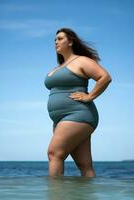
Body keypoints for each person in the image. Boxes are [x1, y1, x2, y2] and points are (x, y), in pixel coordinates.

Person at [44, 28, 112, 177]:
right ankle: (87, 195)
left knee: (54, 154)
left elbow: (104, 77)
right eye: (55, 40)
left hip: (78, 114)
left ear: (71, 41)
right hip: (61, 119)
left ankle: (55, 195)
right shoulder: (59, 67)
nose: (56, 42)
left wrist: (89, 97)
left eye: (60, 38)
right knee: (85, 165)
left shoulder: (81, 60)